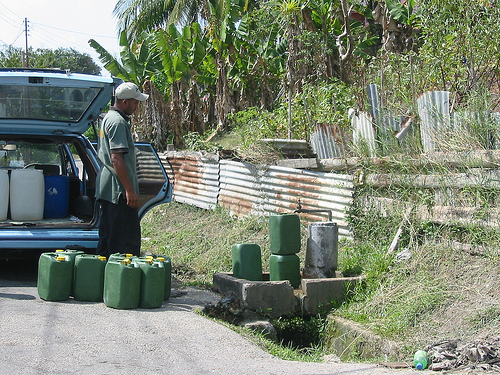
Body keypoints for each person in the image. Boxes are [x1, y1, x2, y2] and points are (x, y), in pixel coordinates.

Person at [95, 82, 149, 258]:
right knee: (125, 244)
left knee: (108, 241)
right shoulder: (118, 122)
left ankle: (102, 280)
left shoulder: (108, 118)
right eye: (135, 102)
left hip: (108, 190)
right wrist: (129, 190)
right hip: (118, 193)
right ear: (124, 101)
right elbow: (116, 158)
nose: (137, 106)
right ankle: (123, 283)